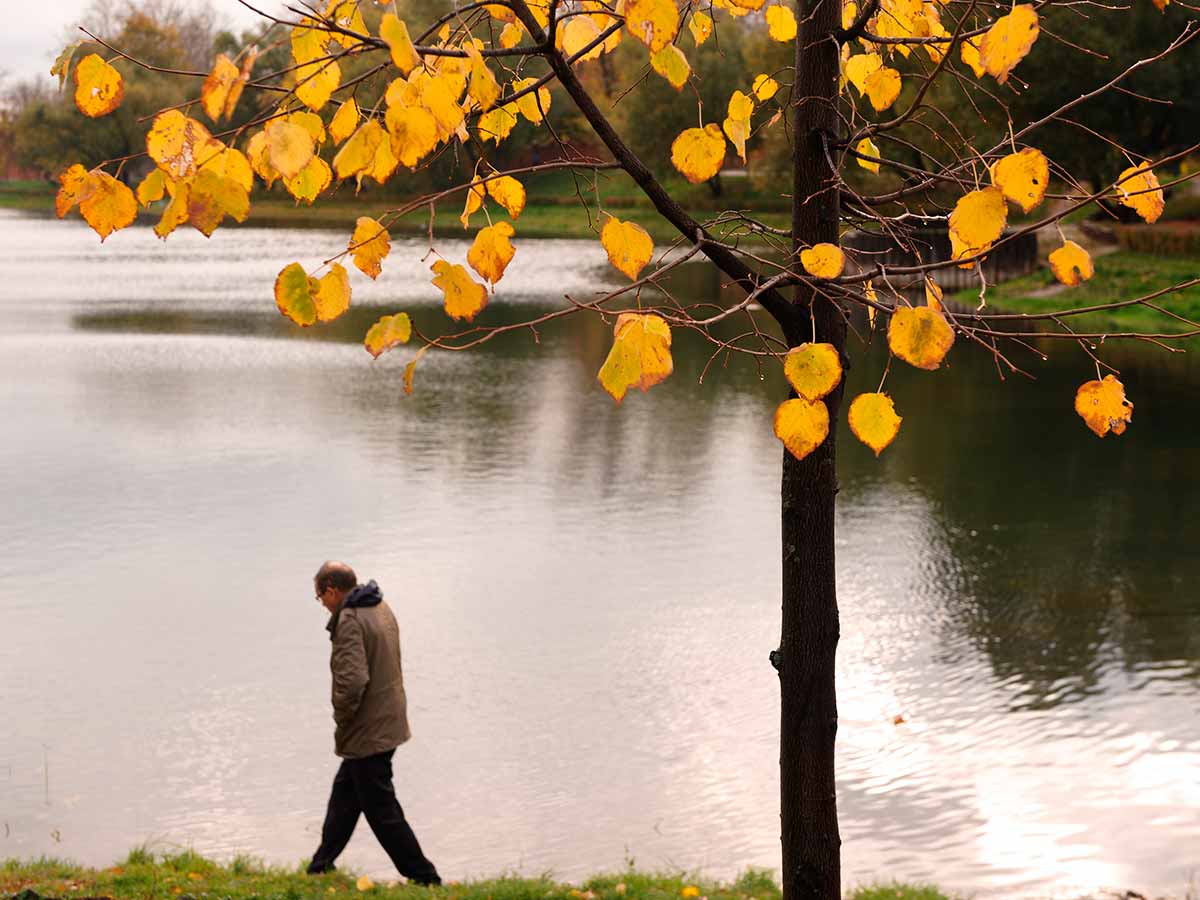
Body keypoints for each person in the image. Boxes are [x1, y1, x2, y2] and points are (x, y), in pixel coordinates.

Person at [306, 560, 442, 885]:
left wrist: (342, 718)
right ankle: (320, 865)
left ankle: (425, 878)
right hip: (388, 718)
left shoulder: (350, 620)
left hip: (369, 730)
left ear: (333, 590)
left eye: (320, 596)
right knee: (346, 795)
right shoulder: (379, 605)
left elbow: (351, 683)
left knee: (381, 810)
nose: (322, 604)